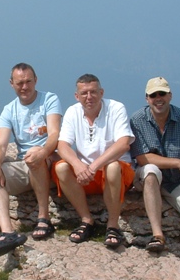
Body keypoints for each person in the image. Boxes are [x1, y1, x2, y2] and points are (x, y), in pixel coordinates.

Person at [0, 63, 62, 257]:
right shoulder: (9, 110)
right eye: (20, 83)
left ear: (36, 80)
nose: (24, 87)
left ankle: (44, 217)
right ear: (12, 84)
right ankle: (7, 232)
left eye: (28, 82)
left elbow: (54, 134)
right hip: (26, 163)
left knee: (34, 154)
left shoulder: (49, 99)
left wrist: (42, 152)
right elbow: (1, 145)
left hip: (49, 159)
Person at [129, 76, 180, 262]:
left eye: (162, 94)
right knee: (150, 171)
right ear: (147, 98)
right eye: (154, 95)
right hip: (151, 178)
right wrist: (179, 163)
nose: (158, 98)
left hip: (178, 182)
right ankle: (158, 235)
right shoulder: (138, 120)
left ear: (170, 95)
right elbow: (142, 157)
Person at [53, 74, 135, 249]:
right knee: (61, 168)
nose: (89, 97)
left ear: (101, 92)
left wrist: (93, 166)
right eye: (84, 93)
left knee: (112, 167)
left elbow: (123, 144)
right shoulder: (72, 112)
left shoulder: (116, 108)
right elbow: (62, 146)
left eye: (93, 92)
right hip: (87, 175)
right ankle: (86, 220)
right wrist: (77, 165)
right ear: (77, 96)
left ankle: (113, 225)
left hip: (115, 174)